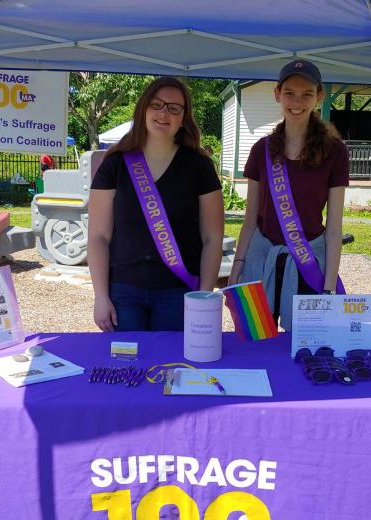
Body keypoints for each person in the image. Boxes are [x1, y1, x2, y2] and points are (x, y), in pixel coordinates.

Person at [88, 77, 224, 332]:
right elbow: (98, 237)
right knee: (129, 368)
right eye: (157, 104)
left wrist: (204, 297)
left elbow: (213, 238)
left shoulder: (200, 166)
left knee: (174, 368)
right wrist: (100, 296)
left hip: (179, 292)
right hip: (123, 292)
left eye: (174, 108)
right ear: (143, 109)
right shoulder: (114, 164)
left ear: (183, 118)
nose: (164, 113)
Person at [229, 59, 349, 330]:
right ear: (277, 94)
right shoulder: (262, 150)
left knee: (306, 347)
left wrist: (329, 288)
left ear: (319, 96)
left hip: (309, 262)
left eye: (307, 94)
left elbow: (334, 228)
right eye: (289, 93)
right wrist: (238, 265)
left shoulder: (335, 152)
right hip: (261, 260)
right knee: (256, 340)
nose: (297, 101)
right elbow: (250, 219)